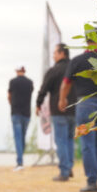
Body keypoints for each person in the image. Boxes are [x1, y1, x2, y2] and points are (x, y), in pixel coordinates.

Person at [60, 31, 97, 192]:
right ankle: (94, 179)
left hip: (86, 104)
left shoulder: (77, 61)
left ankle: (92, 181)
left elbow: (66, 83)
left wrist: (62, 99)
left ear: (87, 41)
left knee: (87, 144)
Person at [36, 43, 76, 181]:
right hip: (74, 110)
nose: (53, 55)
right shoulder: (74, 69)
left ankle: (64, 171)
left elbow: (44, 88)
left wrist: (38, 104)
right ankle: (69, 166)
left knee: (61, 141)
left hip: (59, 111)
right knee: (70, 140)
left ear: (62, 54)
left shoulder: (54, 70)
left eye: (55, 53)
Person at [7, 66, 34, 171]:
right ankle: (20, 159)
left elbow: (9, 95)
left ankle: (19, 162)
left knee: (18, 138)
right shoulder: (30, 82)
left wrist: (12, 104)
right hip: (27, 113)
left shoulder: (12, 82)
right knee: (22, 138)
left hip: (16, 112)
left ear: (16, 71)